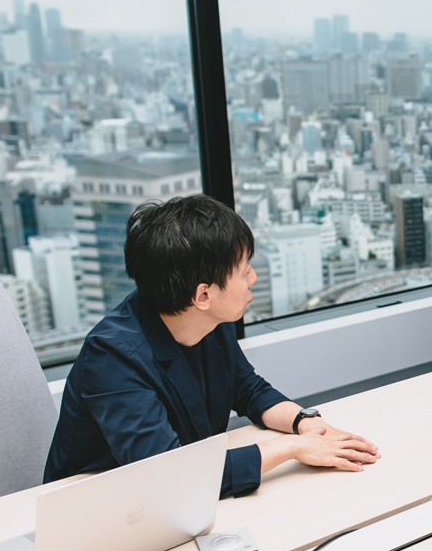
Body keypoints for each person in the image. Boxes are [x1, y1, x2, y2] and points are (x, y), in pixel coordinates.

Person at [44, 195, 379, 497]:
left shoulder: (205, 319)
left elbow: (246, 389)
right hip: (102, 509)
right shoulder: (112, 357)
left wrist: (305, 423)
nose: (253, 278)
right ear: (203, 295)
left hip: (179, 500)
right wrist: (290, 448)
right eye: (243, 270)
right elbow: (168, 475)